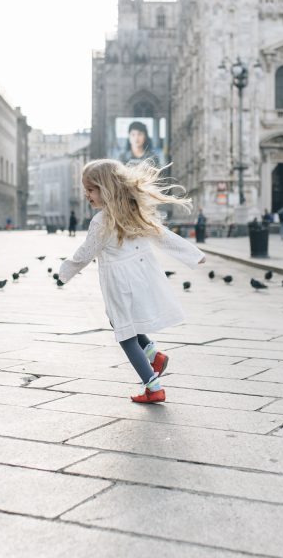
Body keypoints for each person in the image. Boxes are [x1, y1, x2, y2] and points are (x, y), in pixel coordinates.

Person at [58, 159, 205, 404]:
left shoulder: (101, 221)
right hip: (142, 276)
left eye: (91, 189)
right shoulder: (132, 212)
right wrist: (194, 255)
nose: (86, 195)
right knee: (123, 323)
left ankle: (153, 386)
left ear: (106, 189)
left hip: (119, 283)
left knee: (125, 334)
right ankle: (153, 355)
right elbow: (163, 236)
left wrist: (64, 272)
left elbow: (85, 253)